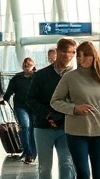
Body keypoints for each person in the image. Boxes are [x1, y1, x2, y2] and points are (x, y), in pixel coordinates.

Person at [51, 42, 100, 179]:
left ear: (94, 56)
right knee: (83, 173)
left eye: (85, 55)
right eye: (79, 55)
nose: (80, 59)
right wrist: (74, 109)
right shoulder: (69, 77)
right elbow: (55, 101)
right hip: (76, 132)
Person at [28, 38, 77, 179]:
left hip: (66, 127)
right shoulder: (41, 76)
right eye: (64, 52)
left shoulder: (75, 76)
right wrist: (47, 114)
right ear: (57, 52)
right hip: (43, 127)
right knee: (44, 167)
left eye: (72, 52)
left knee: (67, 163)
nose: (68, 56)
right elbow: (30, 99)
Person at [5, 57, 38, 164]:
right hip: (20, 106)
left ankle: (32, 153)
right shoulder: (17, 78)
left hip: (34, 107)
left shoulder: (37, 78)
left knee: (32, 130)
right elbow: (9, 91)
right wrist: (4, 99)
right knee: (25, 126)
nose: (26, 66)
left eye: (28, 65)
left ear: (33, 66)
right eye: (24, 65)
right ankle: (28, 153)